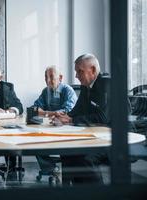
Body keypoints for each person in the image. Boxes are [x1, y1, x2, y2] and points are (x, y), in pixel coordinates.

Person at [52, 54, 110, 185]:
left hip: (113, 137)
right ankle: (71, 191)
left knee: (84, 157)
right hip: (96, 134)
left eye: (80, 71)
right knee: (67, 150)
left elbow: (103, 118)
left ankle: (96, 194)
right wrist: (64, 117)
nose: (76, 76)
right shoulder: (86, 85)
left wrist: (71, 120)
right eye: (76, 71)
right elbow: (77, 109)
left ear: (93, 70)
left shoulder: (106, 84)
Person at [33, 66, 77, 174]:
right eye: (46, 77)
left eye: (51, 77)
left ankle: (60, 170)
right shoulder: (45, 91)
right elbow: (34, 109)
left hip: (66, 129)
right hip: (49, 127)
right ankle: (51, 169)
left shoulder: (68, 90)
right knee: (33, 140)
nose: (48, 80)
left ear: (60, 78)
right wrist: (52, 113)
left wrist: (44, 113)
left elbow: (66, 112)